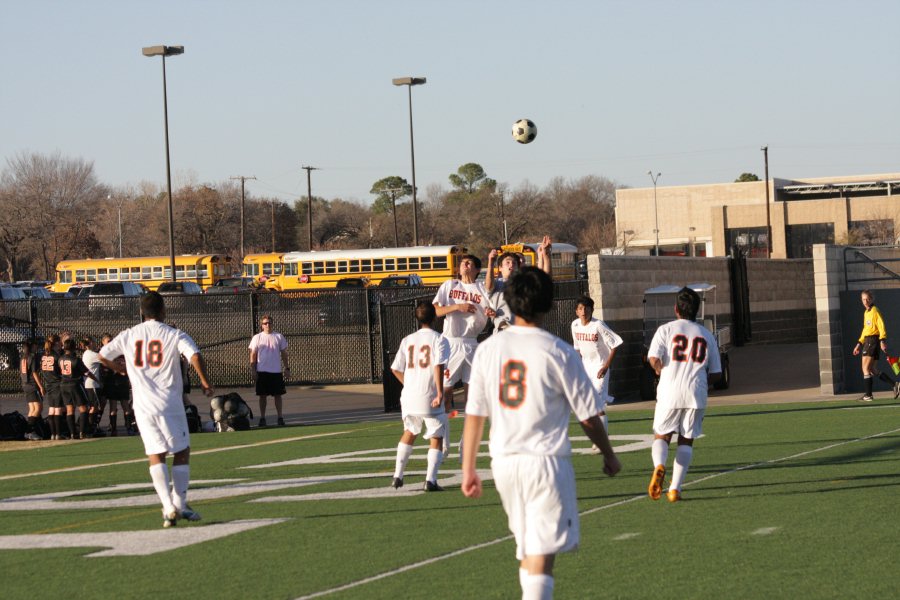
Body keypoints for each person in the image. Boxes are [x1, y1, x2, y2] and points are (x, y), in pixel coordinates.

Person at [461, 267, 621, 600]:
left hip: (503, 465)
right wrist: (608, 455)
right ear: (549, 305)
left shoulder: (488, 350)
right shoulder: (558, 351)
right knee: (541, 557)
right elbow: (589, 417)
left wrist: (468, 469)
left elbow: (475, 414)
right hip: (545, 462)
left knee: (527, 550)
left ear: (509, 301)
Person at [99, 292, 214, 528]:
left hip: (142, 405)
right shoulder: (173, 334)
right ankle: (179, 503)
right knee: (181, 451)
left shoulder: (129, 334)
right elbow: (194, 354)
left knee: (155, 454)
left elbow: (102, 356)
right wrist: (204, 380)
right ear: (163, 311)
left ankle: (167, 506)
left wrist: (120, 369)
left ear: (142, 313)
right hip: (170, 403)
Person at [646, 287, 722, 503]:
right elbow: (716, 372)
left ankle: (659, 465)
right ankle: (675, 489)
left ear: (676, 309)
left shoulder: (665, 330)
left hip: (669, 390)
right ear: (697, 310)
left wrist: (658, 366)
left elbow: (653, 357)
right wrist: (704, 383)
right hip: (695, 392)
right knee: (686, 440)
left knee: (662, 435)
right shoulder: (706, 334)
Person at [433, 254, 495, 455]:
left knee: (472, 397)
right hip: (451, 343)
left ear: (477, 270)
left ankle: (464, 442)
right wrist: (457, 306)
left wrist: (491, 314)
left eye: (469, 263)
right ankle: (444, 441)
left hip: (472, 343)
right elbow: (437, 311)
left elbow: (491, 310)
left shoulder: (481, 289)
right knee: (447, 394)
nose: (464, 265)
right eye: (462, 263)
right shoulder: (450, 285)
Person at [389, 301, 451, 491]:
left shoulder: (407, 339)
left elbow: (395, 368)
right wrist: (440, 392)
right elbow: (438, 365)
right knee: (436, 436)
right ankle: (430, 480)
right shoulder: (440, 339)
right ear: (435, 317)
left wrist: (408, 384)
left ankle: (397, 475)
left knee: (410, 432)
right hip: (428, 396)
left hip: (409, 396)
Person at [571, 295, 623, 437]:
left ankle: (602, 438)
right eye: (580, 308)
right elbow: (577, 348)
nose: (584, 311)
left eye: (587, 308)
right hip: (586, 368)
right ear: (576, 311)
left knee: (597, 404)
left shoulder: (598, 325)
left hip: (600, 367)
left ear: (592, 310)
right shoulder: (574, 325)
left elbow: (615, 344)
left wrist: (606, 366)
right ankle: (598, 435)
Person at [485, 236, 553, 332]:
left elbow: (545, 281)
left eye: (514, 263)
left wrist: (546, 255)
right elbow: (488, 286)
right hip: (505, 329)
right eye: (507, 262)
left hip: (527, 330)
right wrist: (491, 262)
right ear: (500, 268)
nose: (511, 264)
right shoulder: (497, 284)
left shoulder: (525, 282)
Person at [852, 289, 900, 402]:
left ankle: (868, 395)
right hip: (868, 341)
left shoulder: (874, 311)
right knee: (872, 369)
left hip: (872, 341)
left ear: (871, 299)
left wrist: (882, 340)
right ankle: (895, 385)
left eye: (867, 299)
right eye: (863, 299)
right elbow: (865, 330)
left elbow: (881, 326)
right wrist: (859, 343)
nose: (865, 301)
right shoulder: (866, 313)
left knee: (865, 368)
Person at [249, 314, 290, 427]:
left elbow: (284, 353)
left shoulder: (279, 336)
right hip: (262, 372)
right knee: (262, 396)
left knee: (278, 395)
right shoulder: (257, 337)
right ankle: (262, 418)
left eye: (269, 323)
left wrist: (286, 368)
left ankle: (280, 417)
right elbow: (253, 354)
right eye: (265, 323)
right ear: (262, 325)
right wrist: (253, 370)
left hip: (276, 372)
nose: (268, 325)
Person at [59, 338, 98, 439]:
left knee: (70, 409)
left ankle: (72, 433)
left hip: (64, 385)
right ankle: (82, 432)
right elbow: (87, 372)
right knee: (83, 408)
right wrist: (97, 380)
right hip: (75, 384)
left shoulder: (60, 359)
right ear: (73, 347)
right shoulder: (76, 360)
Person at [38, 334, 65, 440]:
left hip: (48, 383)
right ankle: (58, 434)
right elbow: (61, 369)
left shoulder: (44, 355)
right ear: (56, 343)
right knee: (58, 409)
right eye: (59, 342)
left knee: (52, 409)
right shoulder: (56, 356)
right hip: (57, 383)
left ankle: (52, 434)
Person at [80, 336, 105, 435]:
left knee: (96, 405)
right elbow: (104, 359)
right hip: (92, 384)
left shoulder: (87, 353)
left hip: (90, 384)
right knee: (94, 407)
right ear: (90, 343)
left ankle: (92, 427)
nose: (95, 344)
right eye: (94, 342)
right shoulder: (91, 354)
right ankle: (90, 428)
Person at [20, 339, 44, 441]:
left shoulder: (23, 357)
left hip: (25, 384)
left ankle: (29, 431)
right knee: (38, 408)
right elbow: (34, 373)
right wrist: (41, 386)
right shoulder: (32, 357)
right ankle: (30, 431)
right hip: (32, 385)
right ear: (32, 346)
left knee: (32, 408)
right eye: (35, 345)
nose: (37, 347)